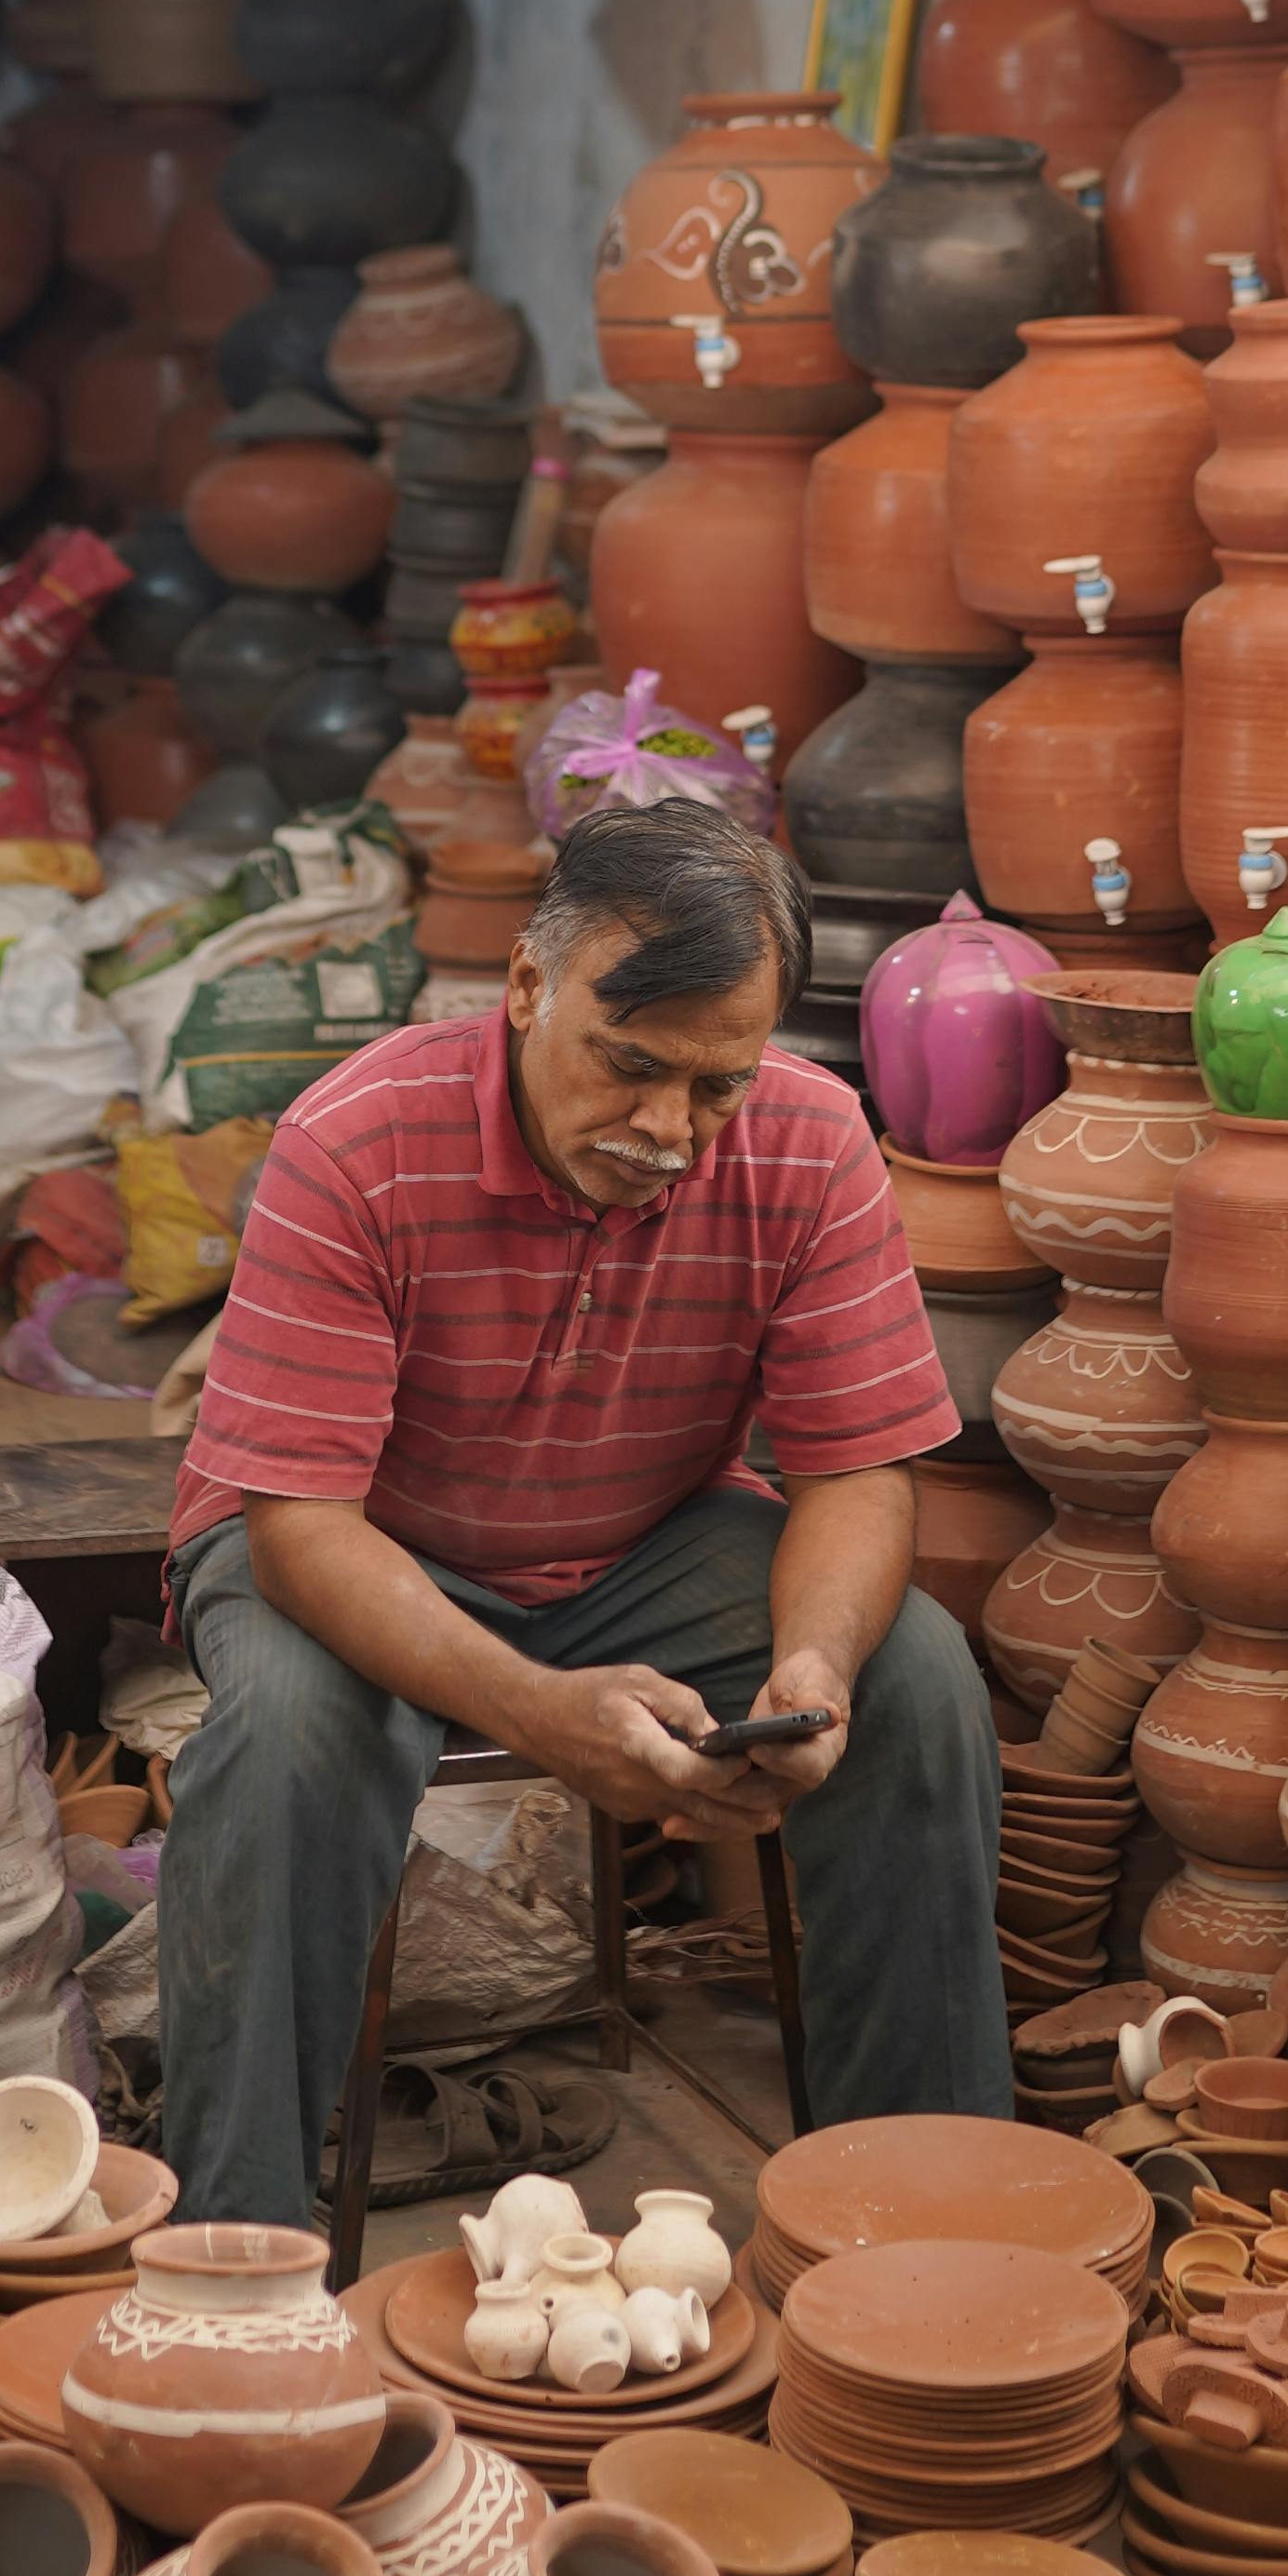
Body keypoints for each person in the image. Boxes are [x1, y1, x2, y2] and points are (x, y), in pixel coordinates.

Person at [155, 792, 1009, 2235]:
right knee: (291, 1737)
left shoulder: (812, 1141)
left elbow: (858, 1471)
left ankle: (914, 2228)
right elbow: (300, 1530)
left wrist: (813, 1663)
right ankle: (238, 2256)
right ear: (526, 987)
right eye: (629, 1065)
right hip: (348, 1540)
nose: (669, 1128)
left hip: (640, 1541)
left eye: (717, 1085)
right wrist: (541, 1711)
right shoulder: (355, 1140)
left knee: (911, 1675)